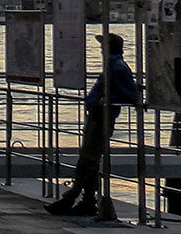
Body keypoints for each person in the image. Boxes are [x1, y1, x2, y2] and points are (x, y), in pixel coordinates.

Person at [45, 32, 137, 217]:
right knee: (90, 161)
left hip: (102, 118)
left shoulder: (116, 67)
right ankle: (87, 200)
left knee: (88, 159)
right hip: (96, 116)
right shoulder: (113, 65)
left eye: (103, 45)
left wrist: (106, 99)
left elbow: (131, 95)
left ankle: (71, 197)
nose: (101, 49)